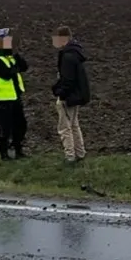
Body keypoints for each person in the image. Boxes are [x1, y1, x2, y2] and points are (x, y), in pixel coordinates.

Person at [51, 26, 91, 163]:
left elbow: (67, 80)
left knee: (64, 128)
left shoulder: (67, 56)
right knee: (74, 125)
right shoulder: (75, 53)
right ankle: (80, 153)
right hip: (76, 96)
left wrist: (59, 93)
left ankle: (70, 156)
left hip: (68, 97)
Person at [0, 28, 28, 159]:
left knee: (20, 125)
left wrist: (16, 54)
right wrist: (14, 67)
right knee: (5, 129)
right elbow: (7, 73)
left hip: (15, 97)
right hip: (0, 100)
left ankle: (18, 150)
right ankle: (4, 154)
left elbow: (24, 67)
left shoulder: (9, 56)